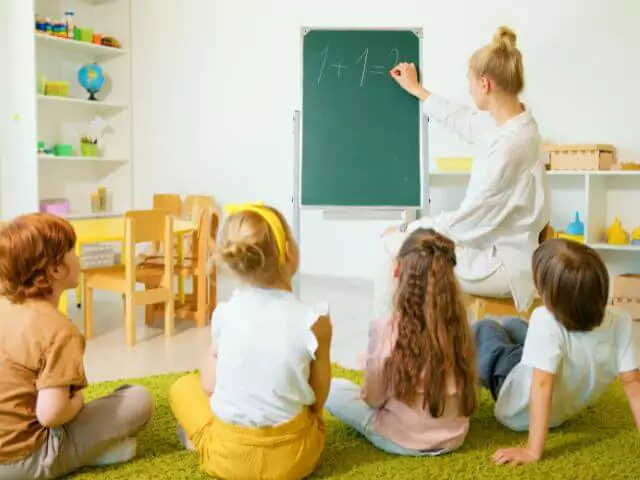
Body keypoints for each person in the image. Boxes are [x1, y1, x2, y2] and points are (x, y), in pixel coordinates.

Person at [376, 26, 549, 319]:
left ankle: (385, 349)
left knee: (391, 245)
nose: (467, 89)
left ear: (484, 84)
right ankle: (407, 344)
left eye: (469, 81)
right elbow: (462, 119)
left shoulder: (511, 147)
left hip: (499, 263)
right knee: (409, 244)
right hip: (493, 244)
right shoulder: (510, 123)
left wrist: (409, 229)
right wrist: (417, 90)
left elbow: (467, 221)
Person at [169, 204, 332, 479]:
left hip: (229, 460)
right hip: (296, 460)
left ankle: (195, 440)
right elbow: (318, 400)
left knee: (182, 387)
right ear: (289, 252)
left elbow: (209, 386)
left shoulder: (225, 314)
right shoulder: (315, 321)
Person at [0, 213, 153, 479]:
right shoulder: (60, 331)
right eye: (74, 250)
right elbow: (51, 415)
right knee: (138, 398)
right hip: (22, 461)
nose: (78, 257)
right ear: (56, 270)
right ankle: (91, 454)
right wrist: (77, 400)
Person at [473, 239, 640, 465]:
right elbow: (634, 386)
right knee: (514, 325)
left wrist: (533, 451)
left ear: (549, 295)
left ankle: (489, 343)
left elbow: (542, 385)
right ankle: (510, 332)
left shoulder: (544, 318)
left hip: (514, 403)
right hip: (561, 407)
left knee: (487, 328)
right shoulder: (621, 320)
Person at [326, 228, 476, 456]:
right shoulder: (460, 324)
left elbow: (373, 399)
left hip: (401, 439)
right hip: (455, 436)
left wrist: (372, 365)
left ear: (400, 273)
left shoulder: (384, 328)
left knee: (333, 389)